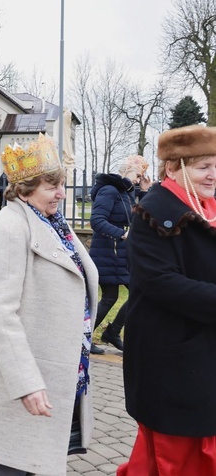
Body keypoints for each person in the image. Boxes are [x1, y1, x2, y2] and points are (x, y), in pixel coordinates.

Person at [0, 135, 99, 475]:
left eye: (62, 185)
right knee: (15, 464)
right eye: (51, 186)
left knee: (31, 461)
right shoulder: (10, 228)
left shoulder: (52, 222)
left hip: (53, 365)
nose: (61, 194)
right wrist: (26, 381)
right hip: (24, 371)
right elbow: (0, 311)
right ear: (24, 190)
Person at [118, 125, 216, 475]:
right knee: (175, 462)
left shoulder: (208, 207)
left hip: (203, 358)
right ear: (173, 167)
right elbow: (161, 282)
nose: (213, 174)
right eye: (203, 166)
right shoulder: (152, 212)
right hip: (173, 361)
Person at [87, 154, 151, 355]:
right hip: (108, 251)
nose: (138, 179)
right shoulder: (109, 190)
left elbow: (139, 215)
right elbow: (97, 220)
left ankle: (111, 332)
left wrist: (145, 191)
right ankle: (88, 337)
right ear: (127, 170)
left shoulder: (126, 192)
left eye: (141, 177)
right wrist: (122, 234)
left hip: (120, 253)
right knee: (112, 297)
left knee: (136, 293)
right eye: (138, 175)